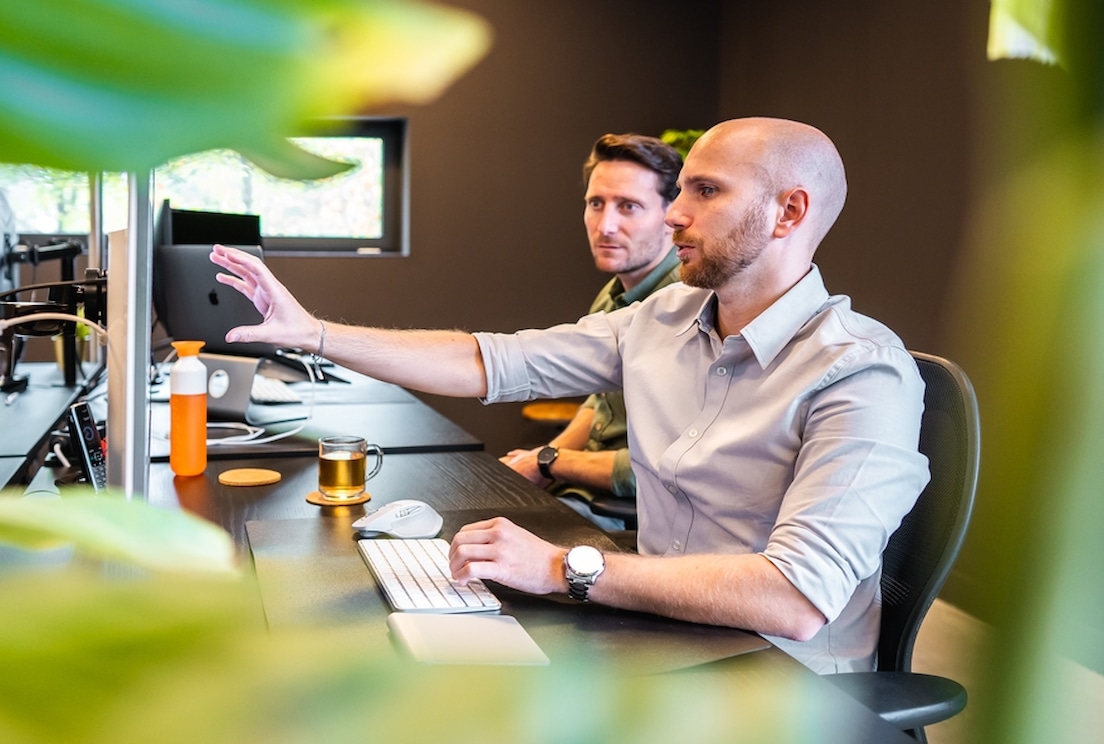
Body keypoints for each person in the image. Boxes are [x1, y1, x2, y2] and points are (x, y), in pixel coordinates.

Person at [209, 117, 930, 674]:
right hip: (662, 630)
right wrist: (315, 333)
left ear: (788, 212)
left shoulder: (863, 374)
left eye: (705, 191)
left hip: (782, 676)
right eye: (680, 191)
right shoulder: (664, 316)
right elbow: (494, 362)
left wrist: (561, 569)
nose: (673, 214)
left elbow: (793, 600)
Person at [499, 133, 682, 531]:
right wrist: (535, 462)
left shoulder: (687, 306)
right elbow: (600, 405)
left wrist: (548, 462)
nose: (606, 225)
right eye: (596, 204)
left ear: (674, 214)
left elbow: (670, 469)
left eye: (628, 206)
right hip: (581, 491)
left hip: (635, 516)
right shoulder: (617, 291)